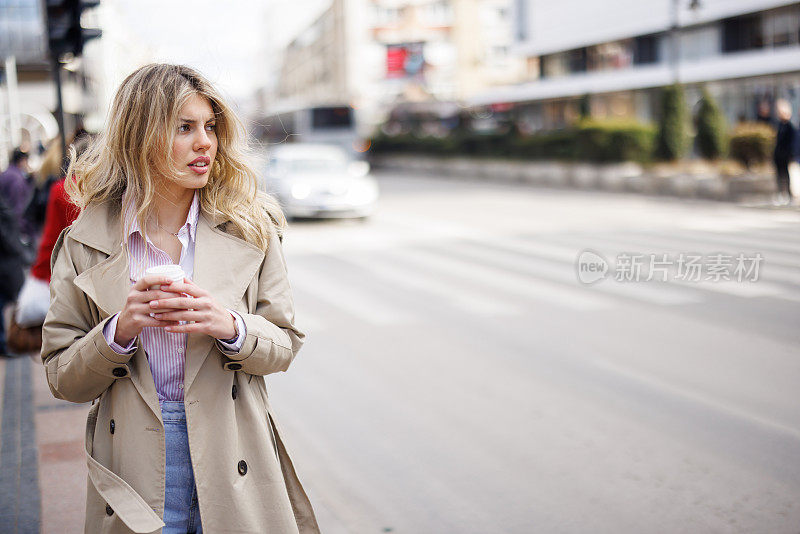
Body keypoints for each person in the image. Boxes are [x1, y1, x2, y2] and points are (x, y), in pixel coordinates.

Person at [41, 64, 319, 533]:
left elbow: (285, 344)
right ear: (141, 136)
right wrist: (118, 330)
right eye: (184, 128)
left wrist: (229, 325)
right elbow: (62, 378)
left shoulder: (251, 227)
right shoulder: (85, 242)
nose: (205, 142)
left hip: (233, 451)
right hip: (134, 461)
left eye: (210, 127)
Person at [0, 148, 34, 240]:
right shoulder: (17, 179)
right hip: (13, 227)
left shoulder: (6, 174)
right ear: (22, 161)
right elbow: (19, 206)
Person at [773, 99, 796, 206]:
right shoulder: (779, 125)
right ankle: (781, 194)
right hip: (778, 155)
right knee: (779, 176)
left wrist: (790, 154)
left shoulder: (790, 126)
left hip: (786, 155)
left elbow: (792, 142)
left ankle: (789, 196)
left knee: (786, 176)